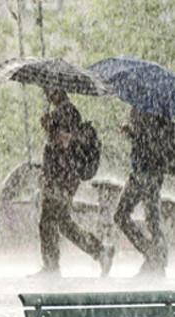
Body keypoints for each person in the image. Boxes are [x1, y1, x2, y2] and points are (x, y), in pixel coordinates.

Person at [30, 88, 114, 278]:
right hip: (62, 177)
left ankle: (52, 267)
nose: (46, 93)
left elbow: (65, 142)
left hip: (61, 178)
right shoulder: (63, 112)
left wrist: (49, 128)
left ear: (58, 90)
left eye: (48, 89)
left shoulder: (66, 112)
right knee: (64, 223)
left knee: (47, 221)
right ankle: (101, 251)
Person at [114, 107, 174, 278]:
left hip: (142, 174)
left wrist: (133, 131)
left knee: (120, 215)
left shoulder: (142, 107)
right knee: (153, 219)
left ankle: (152, 255)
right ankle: (158, 261)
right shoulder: (160, 110)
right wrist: (132, 132)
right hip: (156, 174)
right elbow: (150, 139)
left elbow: (146, 140)